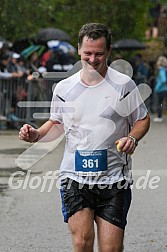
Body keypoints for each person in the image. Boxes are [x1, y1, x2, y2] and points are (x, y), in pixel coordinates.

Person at [19, 23, 150, 252]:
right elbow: (57, 123)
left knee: (111, 248)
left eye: (99, 53)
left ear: (109, 52)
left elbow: (142, 119)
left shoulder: (123, 85)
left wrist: (132, 137)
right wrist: (36, 134)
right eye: (87, 53)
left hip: (113, 179)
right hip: (74, 177)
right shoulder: (64, 87)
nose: (92, 59)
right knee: (82, 242)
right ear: (79, 49)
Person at [153, 56, 167, 122]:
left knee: (159, 103)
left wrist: (157, 87)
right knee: (161, 103)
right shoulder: (165, 69)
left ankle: (159, 117)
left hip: (161, 89)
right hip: (164, 89)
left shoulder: (161, 70)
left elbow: (164, 80)